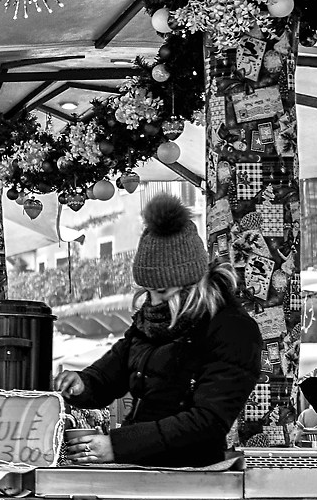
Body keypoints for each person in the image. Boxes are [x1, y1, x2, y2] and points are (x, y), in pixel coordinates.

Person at [57, 194, 262, 467]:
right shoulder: (151, 320)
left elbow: (208, 420)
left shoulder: (232, 329)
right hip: (140, 466)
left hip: (191, 473)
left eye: (162, 291)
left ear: (191, 284)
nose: (152, 302)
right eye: (148, 291)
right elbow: (108, 375)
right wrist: (82, 384)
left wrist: (118, 446)